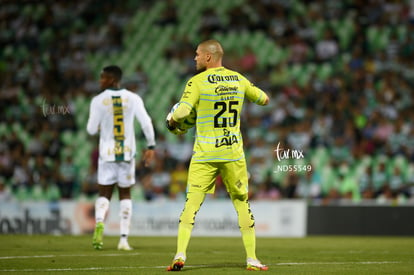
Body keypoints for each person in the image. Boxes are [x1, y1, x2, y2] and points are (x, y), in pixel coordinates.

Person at [166, 40, 269, 271]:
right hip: (233, 152)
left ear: (208, 57)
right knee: (242, 202)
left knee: (191, 204)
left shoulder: (197, 82)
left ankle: (180, 254)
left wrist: (171, 120)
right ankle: (252, 259)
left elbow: (182, 111)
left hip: (205, 153)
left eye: (197, 55)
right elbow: (264, 99)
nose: (195, 58)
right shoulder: (238, 78)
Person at [86, 65, 155, 250]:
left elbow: (91, 129)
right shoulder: (133, 98)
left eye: (103, 78)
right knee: (125, 194)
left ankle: (99, 222)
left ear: (112, 79)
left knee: (104, 194)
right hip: (126, 154)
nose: (100, 81)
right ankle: (123, 239)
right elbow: (146, 122)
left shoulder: (98, 100)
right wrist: (151, 145)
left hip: (107, 155)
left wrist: (102, 126)